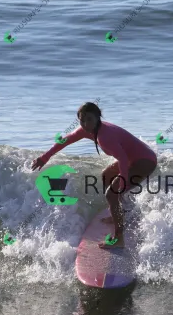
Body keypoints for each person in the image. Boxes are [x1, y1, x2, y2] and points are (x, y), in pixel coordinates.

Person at [31, 102, 157, 249]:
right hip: (134, 158)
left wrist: (123, 180)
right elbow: (65, 141)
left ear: (98, 117)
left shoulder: (105, 137)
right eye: (82, 120)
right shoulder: (87, 131)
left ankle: (119, 239)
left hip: (144, 161)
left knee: (111, 194)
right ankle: (119, 213)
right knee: (106, 175)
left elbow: (122, 159)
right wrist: (44, 157)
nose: (85, 124)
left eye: (89, 119)